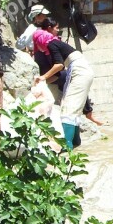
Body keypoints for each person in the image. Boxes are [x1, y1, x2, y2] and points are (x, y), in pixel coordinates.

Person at [32, 18, 95, 150]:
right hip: (81, 70)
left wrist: (43, 76)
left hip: (79, 71)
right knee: (74, 106)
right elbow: (58, 72)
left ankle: (67, 146)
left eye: (37, 44)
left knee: (68, 108)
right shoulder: (55, 42)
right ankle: (76, 141)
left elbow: (59, 65)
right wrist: (42, 82)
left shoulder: (51, 44)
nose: (38, 47)